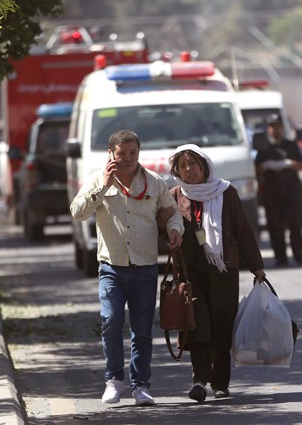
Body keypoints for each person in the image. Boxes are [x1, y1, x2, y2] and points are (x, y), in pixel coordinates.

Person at [70, 130, 184, 406]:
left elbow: (172, 214)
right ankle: (113, 380)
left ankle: (140, 385)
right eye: (122, 153)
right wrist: (103, 187)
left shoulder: (154, 183)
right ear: (111, 154)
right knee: (110, 322)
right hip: (111, 267)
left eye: (133, 152)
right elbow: (77, 212)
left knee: (142, 330)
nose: (128, 158)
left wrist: (174, 230)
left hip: (144, 268)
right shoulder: (99, 179)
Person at [165, 144, 266, 402]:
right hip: (190, 272)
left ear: (205, 166)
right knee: (196, 323)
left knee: (222, 323)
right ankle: (199, 380)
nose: (189, 170)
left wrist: (257, 266)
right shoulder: (175, 195)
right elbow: (164, 227)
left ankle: (220, 382)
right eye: (183, 166)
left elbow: (243, 230)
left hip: (223, 270)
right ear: (177, 171)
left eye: (194, 164)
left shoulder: (226, 192)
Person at [254, 118, 302, 267]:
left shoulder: (291, 146)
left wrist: (288, 164)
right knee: (275, 226)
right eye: (272, 127)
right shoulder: (264, 149)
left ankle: (298, 255)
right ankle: (281, 257)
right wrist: (267, 166)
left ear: (282, 129)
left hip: (292, 190)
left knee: (295, 224)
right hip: (272, 191)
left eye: (277, 127)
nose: (275, 130)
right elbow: (256, 169)